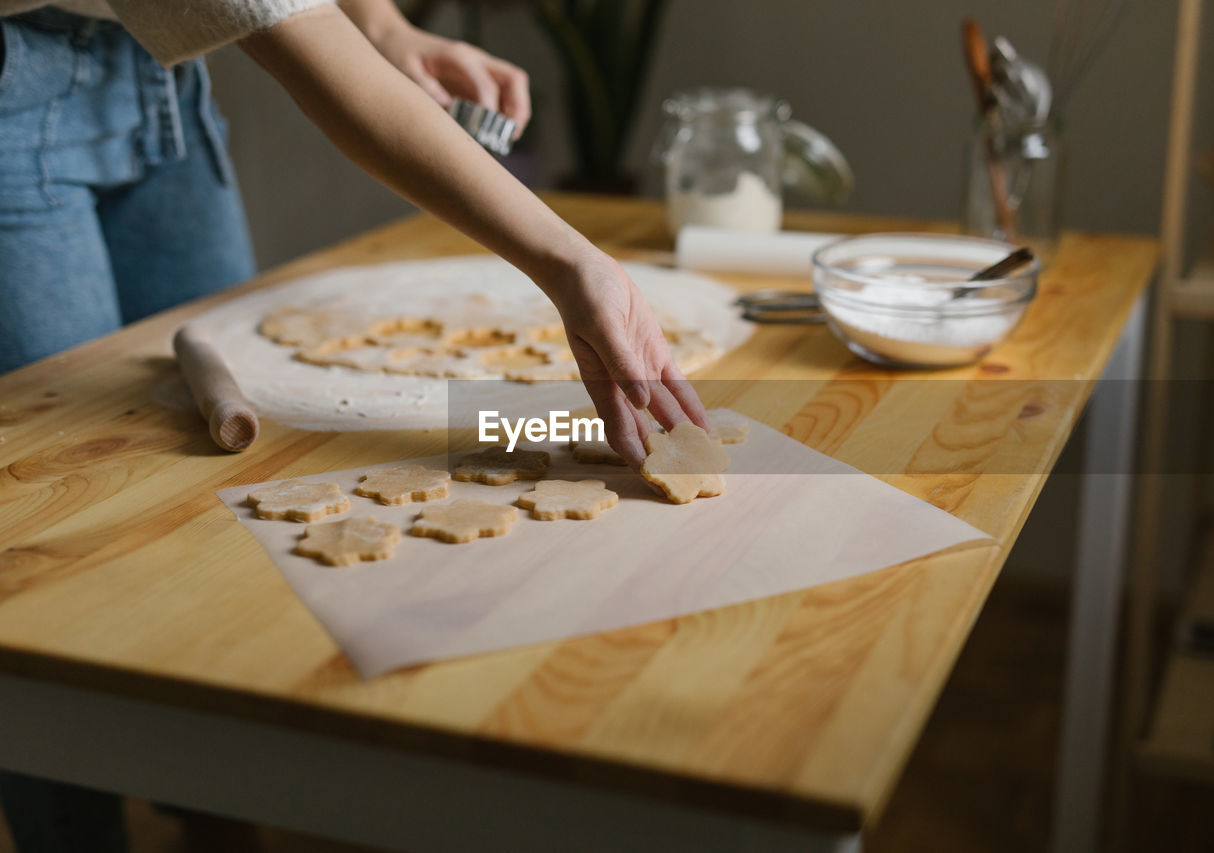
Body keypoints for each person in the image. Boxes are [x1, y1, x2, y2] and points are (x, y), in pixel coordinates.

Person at [0, 1, 706, 850]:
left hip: (162, 66)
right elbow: (315, 60)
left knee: (220, 500)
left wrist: (382, 23)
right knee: (52, 542)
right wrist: (569, 258)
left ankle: (218, 827)